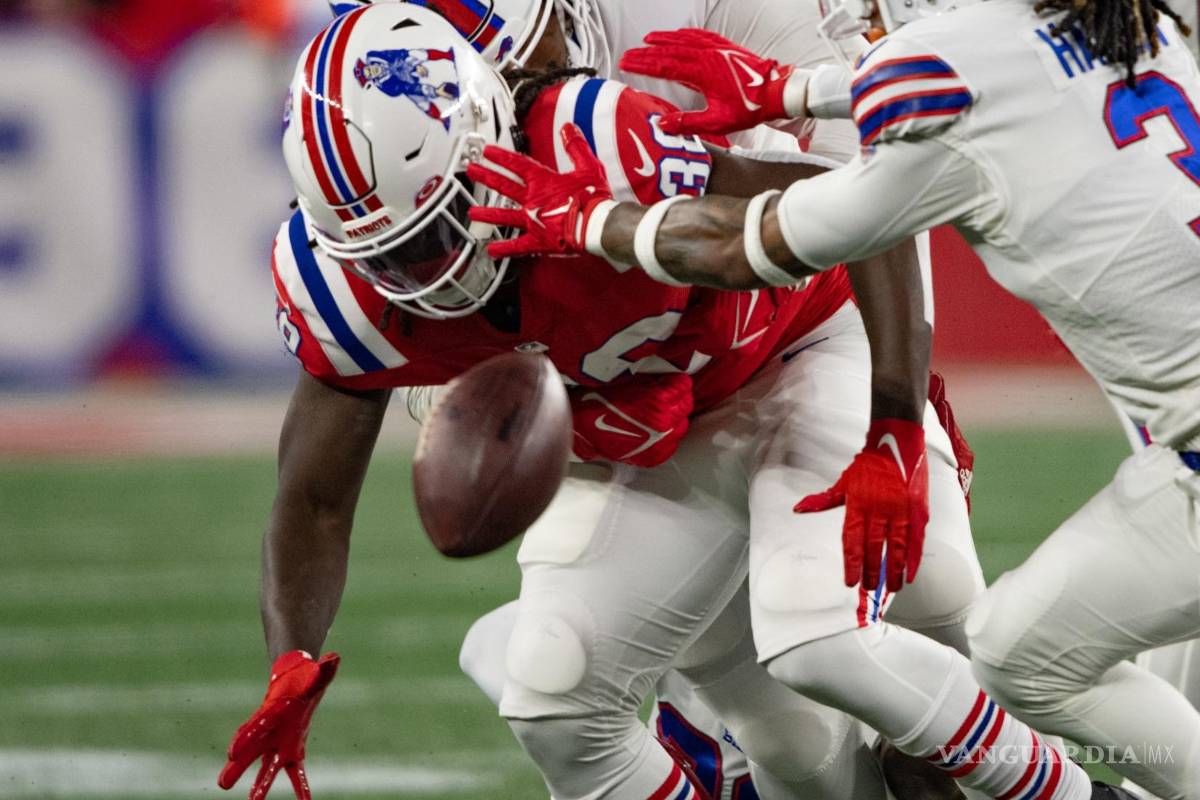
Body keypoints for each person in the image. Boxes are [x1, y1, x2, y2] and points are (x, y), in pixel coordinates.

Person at [213, 3, 1030, 799]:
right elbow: (313, 496)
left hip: (794, 346)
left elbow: (857, 200)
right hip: (663, 436)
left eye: (433, 233)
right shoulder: (349, 290)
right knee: (568, 694)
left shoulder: (595, 131)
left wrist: (896, 409)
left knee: (892, 634)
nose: (425, 278)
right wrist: (291, 657)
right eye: (392, 257)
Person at [468, 0, 1200, 793]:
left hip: (1175, 464)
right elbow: (952, 81)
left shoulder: (947, 69)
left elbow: (750, 244)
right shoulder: (1125, 24)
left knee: (1013, 656)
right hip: (1172, 457)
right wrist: (788, 90)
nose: (865, 12)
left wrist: (592, 219)